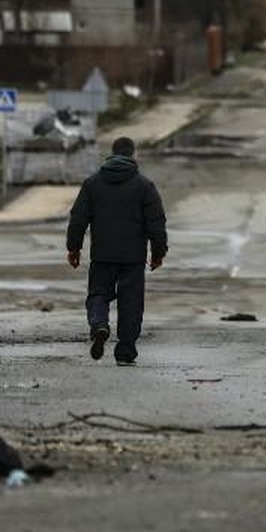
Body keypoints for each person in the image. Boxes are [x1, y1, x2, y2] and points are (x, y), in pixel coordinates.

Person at [66, 135, 168, 366]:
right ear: (133, 155)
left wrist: (74, 248)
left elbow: (78, 220)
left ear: (111, 154)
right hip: (133, 258)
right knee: (131, 303)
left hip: (102, 255)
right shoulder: (144, 186)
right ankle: (125, 351)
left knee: (98, 295)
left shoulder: (92, 184)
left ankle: (100, 324)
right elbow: (156, 223)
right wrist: (158, 253)